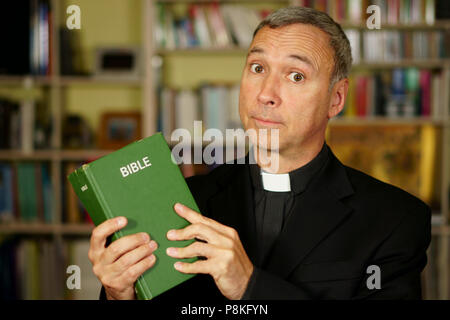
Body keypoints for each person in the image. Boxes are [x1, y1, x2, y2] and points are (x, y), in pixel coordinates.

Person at [89, 6, 431, 300]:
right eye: (257, 68)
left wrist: (250, 287)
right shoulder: (186, 201)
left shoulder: (395, 220)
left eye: (296, 76)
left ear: (336, 99)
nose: (267, 93)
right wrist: (122, 293)